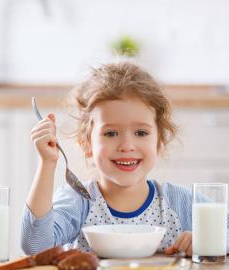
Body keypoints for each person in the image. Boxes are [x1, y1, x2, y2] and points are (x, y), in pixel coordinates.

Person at [21, 61, 228, 257]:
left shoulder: (179, 203)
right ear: (87, 143)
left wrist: (211, 240)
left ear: (159, 141)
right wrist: (47, 163)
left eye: (141, 133)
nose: (127, 146)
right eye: (111, 133)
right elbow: (37, 247)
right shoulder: (78, 202)